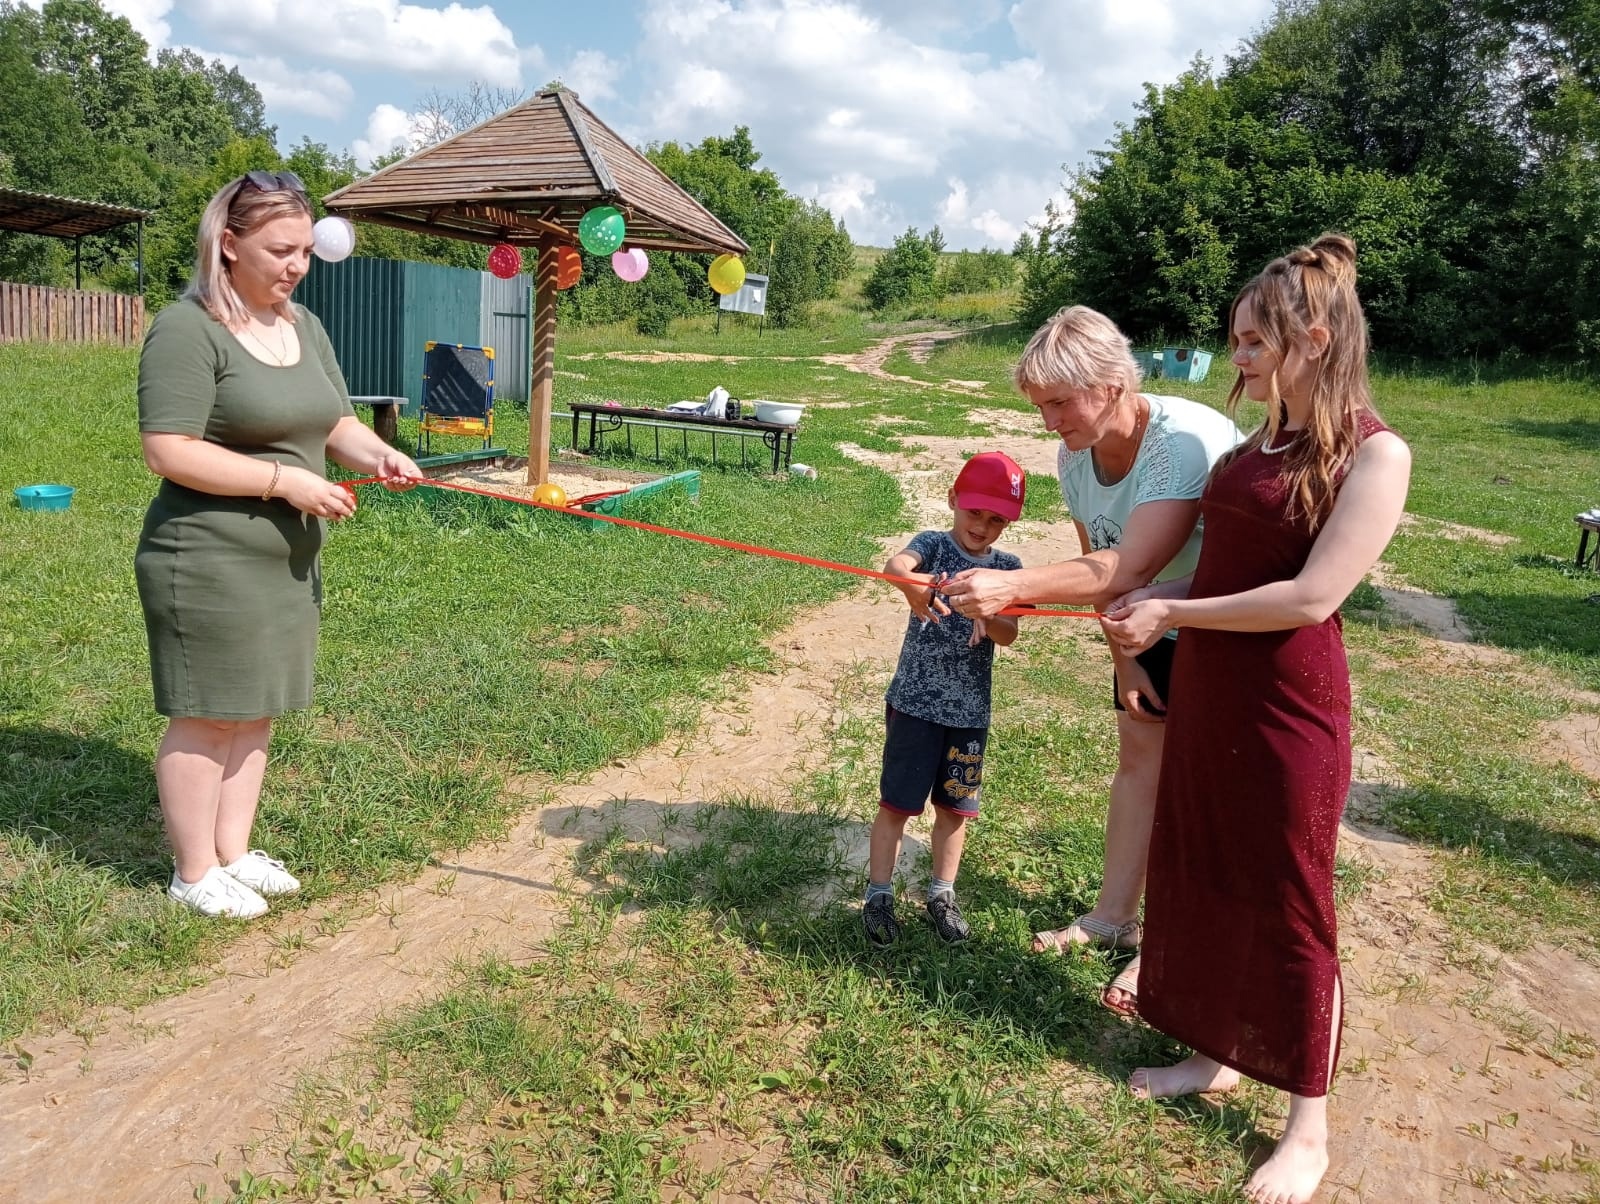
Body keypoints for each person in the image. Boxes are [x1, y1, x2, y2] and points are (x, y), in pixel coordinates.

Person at [1101, 233, 1411, 1204]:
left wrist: (1173, 612)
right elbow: (1231, 576)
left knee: (1287, 902)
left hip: (1289, 709)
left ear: (1312, 337)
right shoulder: (1255, 447)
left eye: (1250, 342)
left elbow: (1310, 597)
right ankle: (1211, 1050)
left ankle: (1306, 1128)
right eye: (1232, 340)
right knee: (1199, 869)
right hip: (1212, 695)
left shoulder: (1375, 453)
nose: (1233, 358)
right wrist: (1149, 594)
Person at [135, 170, 422, 918]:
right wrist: (283, 484)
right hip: (206, 558)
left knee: (255, 709)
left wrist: (378, 455)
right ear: (228, 245)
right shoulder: (187, 328)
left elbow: (332, 423)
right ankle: (193, 871)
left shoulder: (304, 325)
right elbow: (168, 449)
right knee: (208, 711)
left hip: (286, 562)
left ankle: (233, 852)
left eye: (303, 252)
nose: (296, 266)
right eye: (279, 250)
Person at [940, 306, 1240, 1014]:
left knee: (1191, 793)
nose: (1048, 422)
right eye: (1039, 406)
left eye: (1058, 403)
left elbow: (1132, 561)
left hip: (1218, 623)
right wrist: (1127, 660)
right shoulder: (1077, 453)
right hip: (1146, 627)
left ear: (1110, 385)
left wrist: (1012, 585)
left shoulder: (1181, 444)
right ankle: (1113, 917)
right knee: (1139, 767)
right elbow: (1097, 563)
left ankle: (1163, 949)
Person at [863, 451, 1026, 946]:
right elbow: (898, 565)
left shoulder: (1008, 570)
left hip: (969, 715)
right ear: (954, 500)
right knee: (897, 806)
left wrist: (990, 614)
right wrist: (911, 585)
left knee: (955, 811)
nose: (982, 525)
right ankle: (878, 895)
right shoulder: (933, 545)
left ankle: (942, 893)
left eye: (996, 519)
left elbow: (1010, 634)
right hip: (914, 706)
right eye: (974, 511)